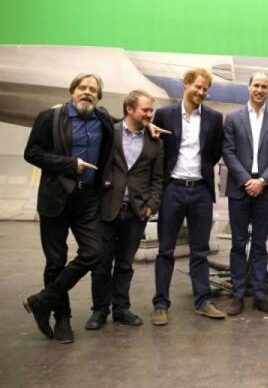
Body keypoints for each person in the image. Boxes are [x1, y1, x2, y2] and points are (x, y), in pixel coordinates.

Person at [23, 73, 115, 343]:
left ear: (98, 97)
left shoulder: (103, 119)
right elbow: (32, 152)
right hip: (55, 197)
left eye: (93, 89)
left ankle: (42, 300)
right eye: (82, 87)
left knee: (94, 253)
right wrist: (70, 164)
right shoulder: (50, 117)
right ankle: (62, 318)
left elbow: (126, 126)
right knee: (55, 261)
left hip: (88, 199)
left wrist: (147, 125)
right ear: (73, 91)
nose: (87, 92)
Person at [151, 68, 225, 325]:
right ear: (186, 84)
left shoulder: (214, 118)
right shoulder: (164, 114)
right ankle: (160, 304)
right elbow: (157, 149)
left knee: (200, 250)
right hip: (172, 188)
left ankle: (203, 301)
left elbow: (214, 153)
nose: (201, 92)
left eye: (205, 89)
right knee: (165, 250)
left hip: (201, 190)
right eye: (198, 87)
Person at [86, 90, 164, 330]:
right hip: (107, 209)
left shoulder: (156, 141)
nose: (150, 114)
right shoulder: (110, 133)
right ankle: (100, 310)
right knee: (101, 265)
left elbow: (158, 179)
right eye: (145, 110)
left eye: (151, 110)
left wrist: (151, 206)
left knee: (124, 264)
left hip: (136, 213)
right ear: (129, 109)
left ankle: (121, 308)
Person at [222, 72, 268, 316]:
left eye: (264, 86)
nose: (260, 90)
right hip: (239, 190)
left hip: (266, 190)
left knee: (260, 245)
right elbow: (228, 152)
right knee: (238, 244)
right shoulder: (233, 118)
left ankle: (260, 296)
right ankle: (238, 295)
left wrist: (262, 181)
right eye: (256, 85)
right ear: (248, 87)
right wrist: (246, 180)